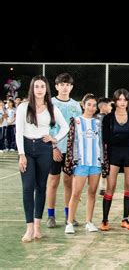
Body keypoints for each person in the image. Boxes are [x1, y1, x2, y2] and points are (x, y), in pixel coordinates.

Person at [16, 75, 69, 242]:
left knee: (41, 187)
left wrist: (55, 138)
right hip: (27, 149)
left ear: (47, 89)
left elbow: (65, 127)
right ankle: (29, 228)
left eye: (42, 87)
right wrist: (21, 154)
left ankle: (37, 227)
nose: (39, 89)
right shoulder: (23, 107)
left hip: (44, 149)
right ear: (32, 88)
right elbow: (18, 132)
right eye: (36, 86)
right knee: (27, 187)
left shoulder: (52, 107)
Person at [64, 94, 105, 234]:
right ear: (83, 104)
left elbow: (101, 143)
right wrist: (71, 161)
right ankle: (69, 222)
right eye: (89, 105)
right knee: (76, 193)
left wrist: (103, 161)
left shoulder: (99, 122)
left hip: (95, 163)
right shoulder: (75, 121)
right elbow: (70, 143)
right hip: (81, 163)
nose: (92, 108)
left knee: (92, 192)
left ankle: (89, 221)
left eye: (94, 105)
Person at [46, 73, 82, 228]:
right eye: (61, 84)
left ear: (71, 87)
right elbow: (46, 128)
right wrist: (54, 147)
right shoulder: (50, 103)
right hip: (53, 149)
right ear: (56, 86)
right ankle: (51, 216)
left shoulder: (76, 105)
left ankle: (69, 216)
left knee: (69, 183)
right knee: (53, 182)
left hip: (70, 151)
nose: (64, 87)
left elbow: (79, 129)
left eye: (67, 84)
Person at [101, 88, 129, 231]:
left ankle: (125, 219)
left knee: (128, 187)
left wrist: (121, 139)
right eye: (119, 99)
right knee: (111, 187)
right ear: (115, 101)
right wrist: (122, 139)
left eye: (125, 99)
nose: (122, 102)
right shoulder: (108, 118)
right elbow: (106, 139)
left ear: (128, 101)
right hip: (113, 155)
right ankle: (105, 220)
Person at [97, 97, 113, 196]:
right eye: (110, 105)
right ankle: (104, 187)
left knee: (101, 167)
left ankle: (102, 187)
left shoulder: (95, 117)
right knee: (105, 167)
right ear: (103, 106)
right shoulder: (106, 118)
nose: (111, 107)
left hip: (99, 147)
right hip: (104, 147)